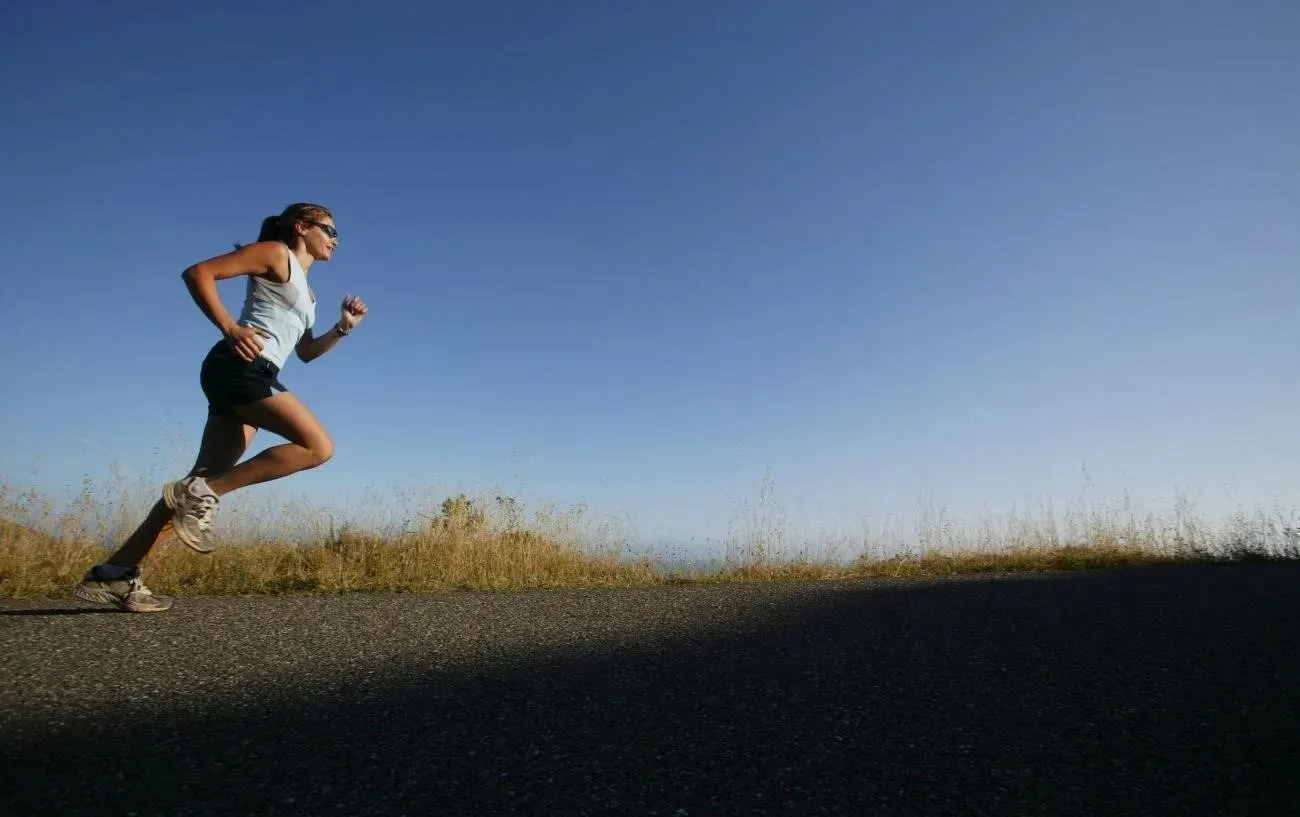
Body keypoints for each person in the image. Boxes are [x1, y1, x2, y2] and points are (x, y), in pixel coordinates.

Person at [74, 202, 367, 612]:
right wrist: (230, 327)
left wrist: (342, 328)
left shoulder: (309, 292)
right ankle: (203, 494)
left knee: (194, 486)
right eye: (329, 230)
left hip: (255, 373)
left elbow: (305, 353)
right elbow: (199, 273)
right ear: (302, 227)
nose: (335, 239)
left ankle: (115, 573)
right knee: (317, 447)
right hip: (240, 367)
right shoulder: (275, 253)